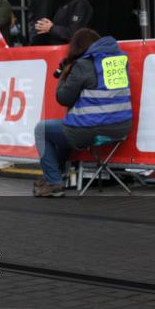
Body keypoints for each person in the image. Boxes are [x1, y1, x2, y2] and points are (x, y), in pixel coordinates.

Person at [33, 28, 134, 197]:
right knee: (63, 131)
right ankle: (54, 176)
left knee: (42, 130)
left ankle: (54, 182)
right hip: (121, 128)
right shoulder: (119, 61)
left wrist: (64, 75)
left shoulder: (83, 64)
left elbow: (63, 98)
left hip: (91, 128)